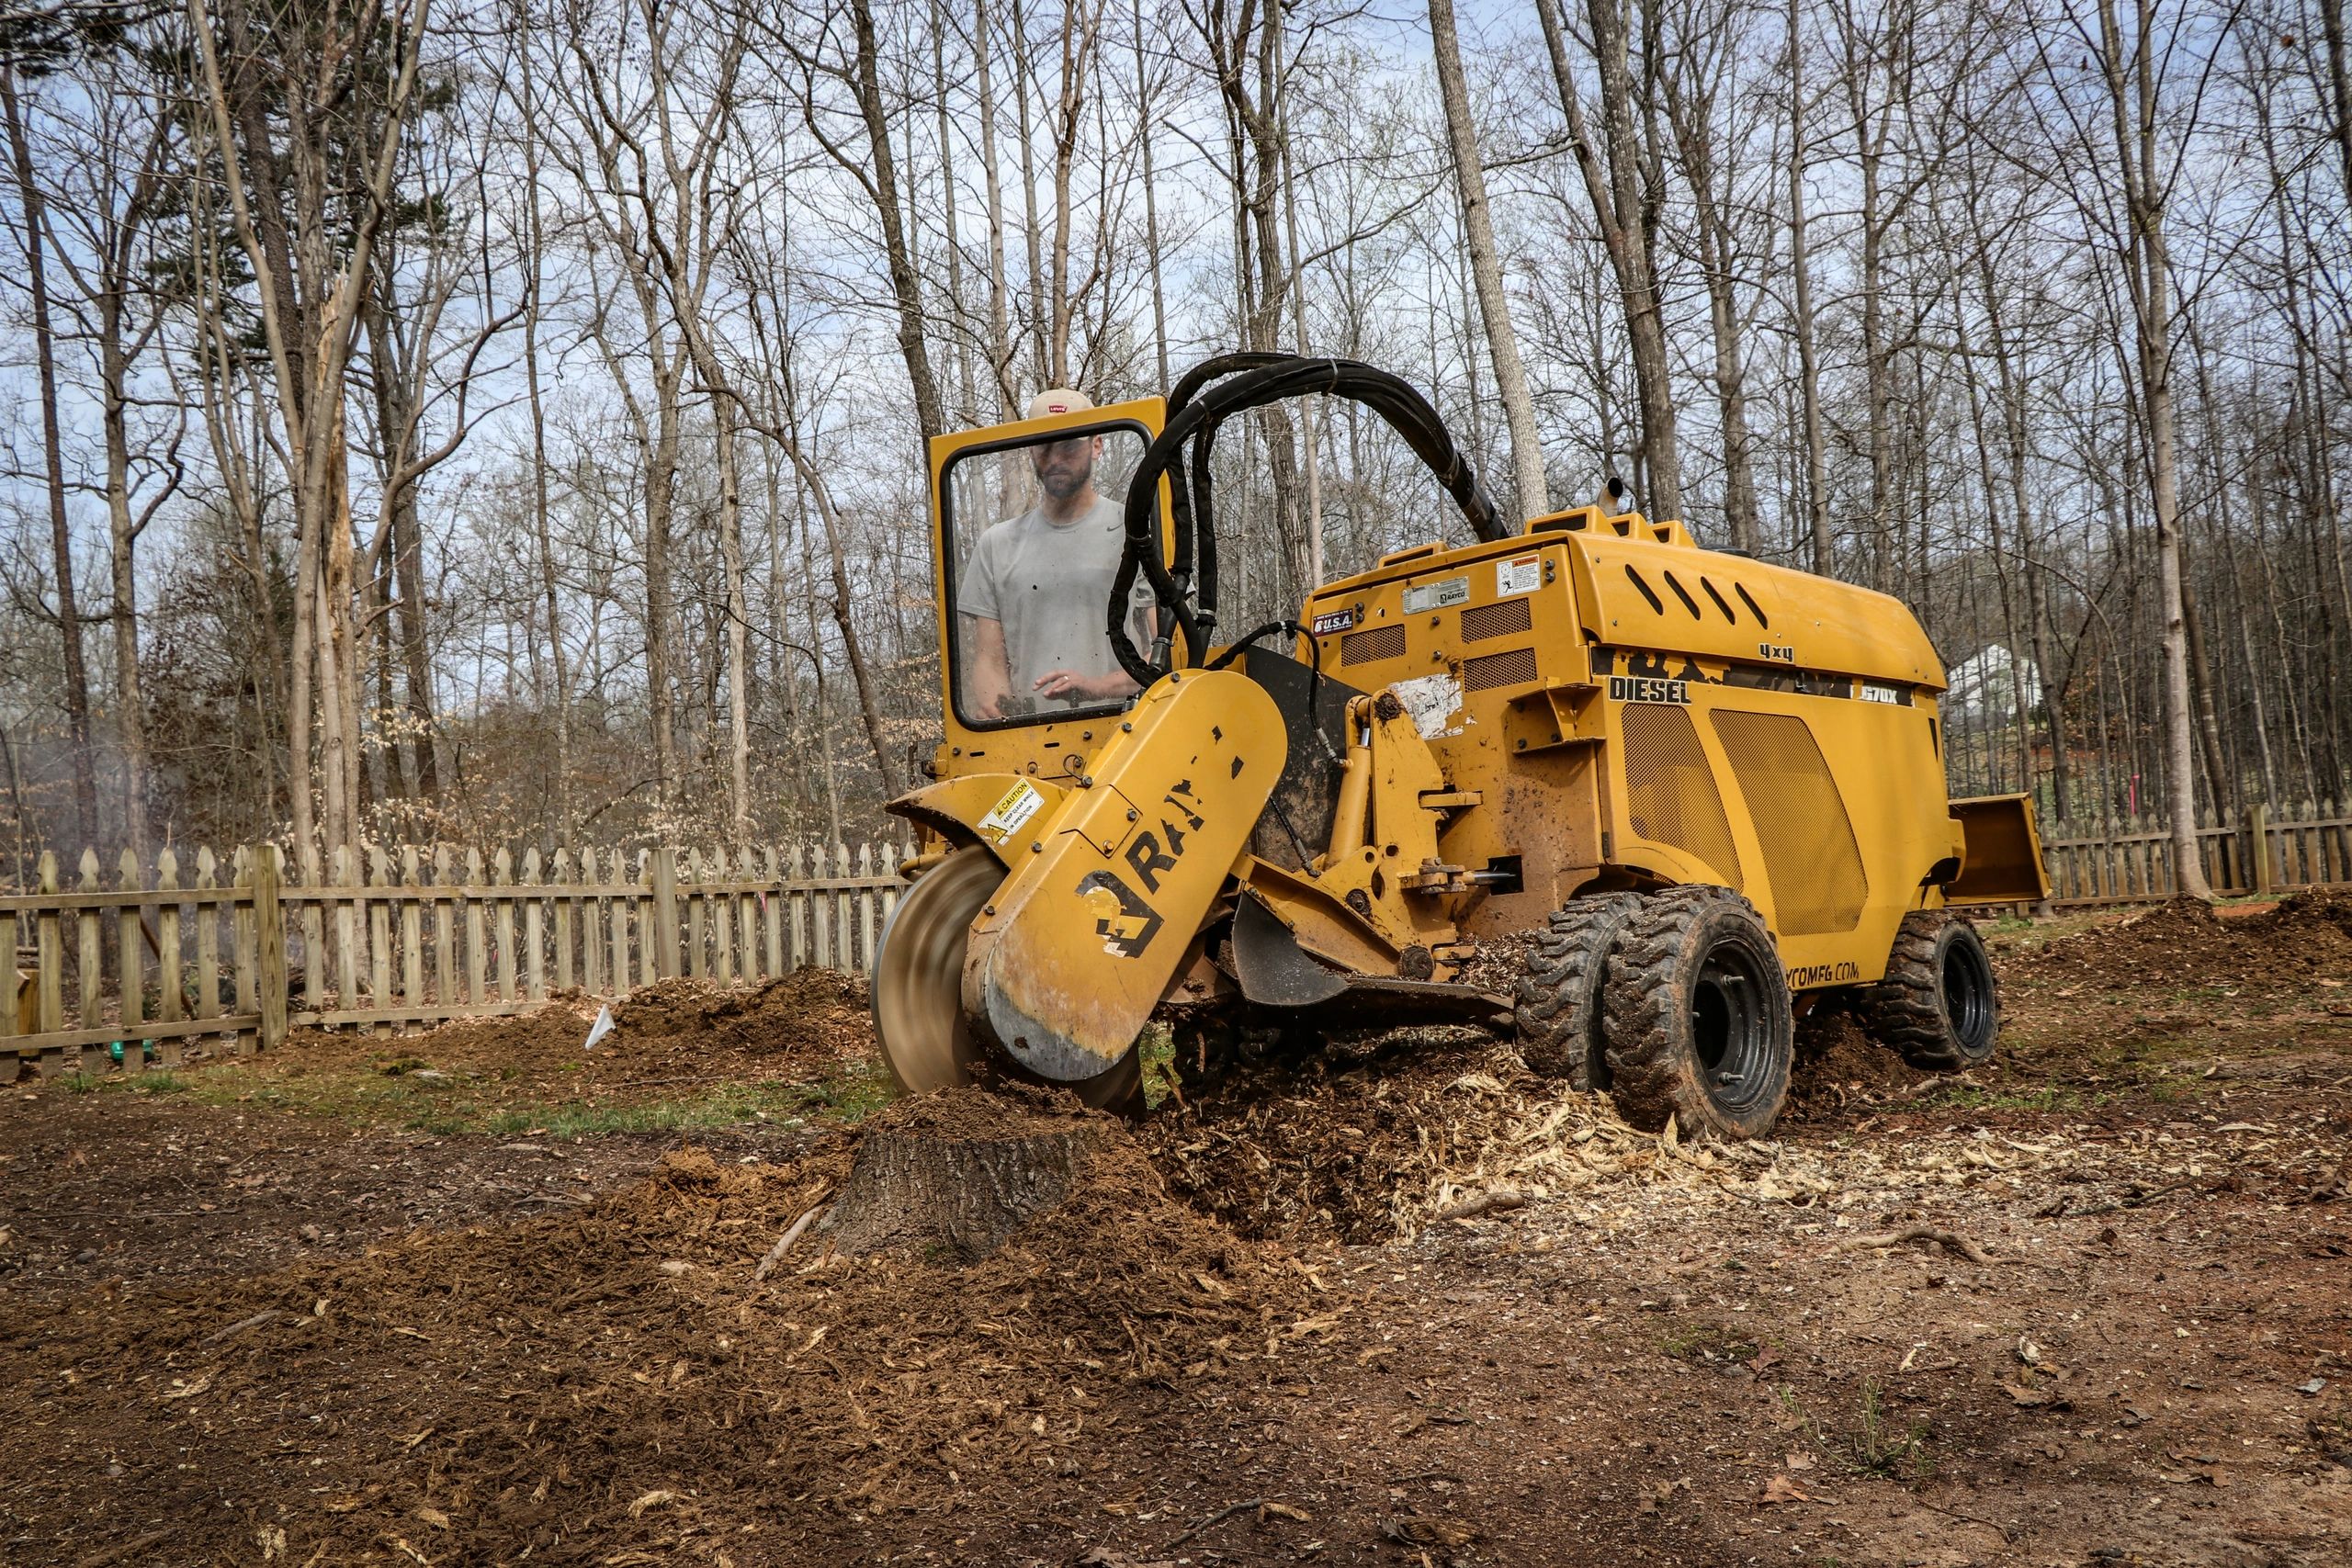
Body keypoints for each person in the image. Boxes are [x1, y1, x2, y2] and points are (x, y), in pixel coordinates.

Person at [958, 388, 1155, 720]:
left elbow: (1169, 652)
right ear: (1031, 450)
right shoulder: (997, 544)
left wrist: (1096, 688)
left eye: (1069, 446)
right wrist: (1000, 714)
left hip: (1129, 731)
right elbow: (988, 660)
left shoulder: (1136, 530)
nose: (1055, 459)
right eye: (1044, 446)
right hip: (1032, 740)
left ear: (1096, 446)